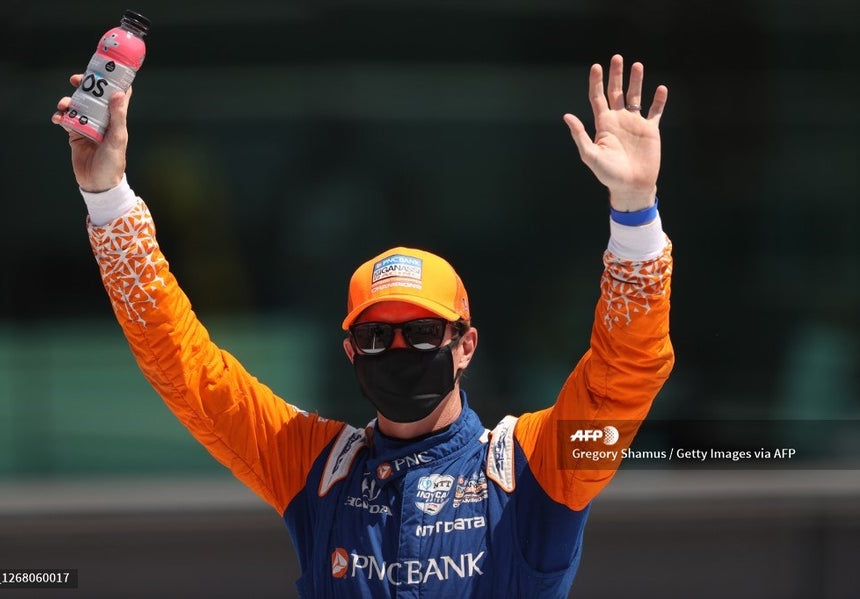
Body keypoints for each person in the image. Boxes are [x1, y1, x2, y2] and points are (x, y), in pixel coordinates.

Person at [52, 54, 672, 597]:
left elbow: (625, 377)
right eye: (377, 337)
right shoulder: (314, 467)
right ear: (350, 351)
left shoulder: (538, 465)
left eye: (422, 333)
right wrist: (107, 197)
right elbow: (184, 367)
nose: (399, 348)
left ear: (466, 345)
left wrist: (635, 210)